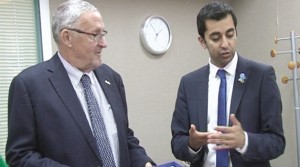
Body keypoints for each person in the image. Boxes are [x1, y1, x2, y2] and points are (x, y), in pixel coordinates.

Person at [6, 1, 155, 167]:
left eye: (103, 33)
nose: (104, 43)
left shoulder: (112, 79)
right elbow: (20, 156)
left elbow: (124, 137)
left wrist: (144, 163)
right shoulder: (29, 85)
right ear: (67, 37)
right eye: (95, 35)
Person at [171, 1, 285, 167]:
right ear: (202, 41)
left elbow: (277, 142)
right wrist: (192, 144)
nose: (225, 44)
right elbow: (177, 143)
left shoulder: (262, 76)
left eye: (230, 34)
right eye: (216, 38)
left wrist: (244, 141)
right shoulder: (189, 84)